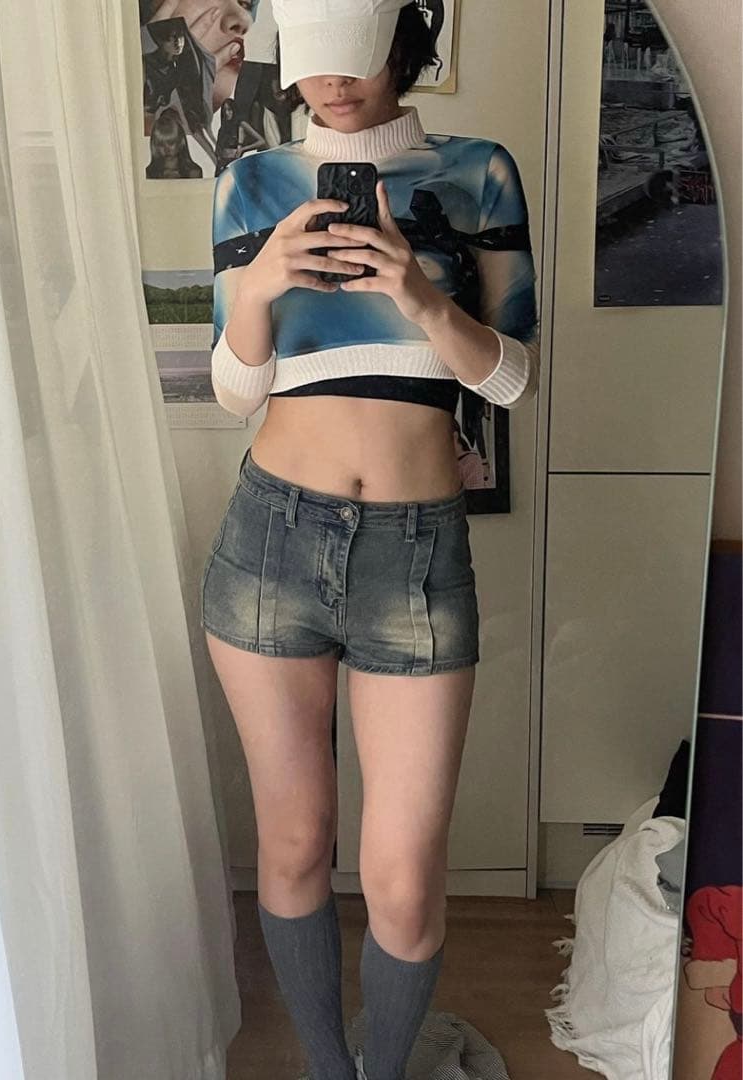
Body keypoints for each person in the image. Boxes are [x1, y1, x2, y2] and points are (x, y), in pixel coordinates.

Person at [201, 1, 540, 1077]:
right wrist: (261, 283)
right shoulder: (252, 181)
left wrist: (417, 294)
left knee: (401, 877)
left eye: (354, 56)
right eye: (311, 61)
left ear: (399, 42)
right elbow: (234, 389)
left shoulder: (477, 171)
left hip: (414, 554)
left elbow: (512, 379)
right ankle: (326, 1068)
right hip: (270, 541)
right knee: (296, 844)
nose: (332, 85)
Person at [213, 97, 267, 175]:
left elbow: (261, 141)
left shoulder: (241, 124)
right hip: (222, 163)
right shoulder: (223, 128)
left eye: (229, 110)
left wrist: (243, 149)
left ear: (234, 110)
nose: (227, 113)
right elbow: (218, 149)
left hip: (235, 162)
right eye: (225, 111)